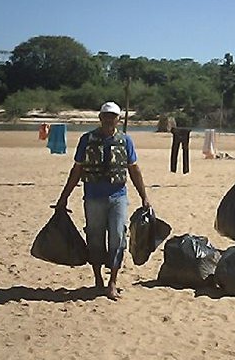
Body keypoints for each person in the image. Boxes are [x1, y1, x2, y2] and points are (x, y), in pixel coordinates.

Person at [54, 101, 149, 300]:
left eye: (112, 117)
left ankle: (112, 282)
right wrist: (64, 198)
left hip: (118, 197)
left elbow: (134, 170)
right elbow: (77, 170)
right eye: (105, 116)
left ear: (118, 119)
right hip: (93, 197)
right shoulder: (87, 140)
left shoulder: (125, 141)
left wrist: (144, 196)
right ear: (100, 118)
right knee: (95, 237)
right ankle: (98, 279)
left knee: (118, 236)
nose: (108, 120)